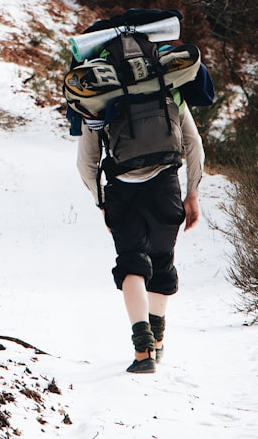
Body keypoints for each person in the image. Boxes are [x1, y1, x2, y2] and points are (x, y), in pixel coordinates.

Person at [76, 95, 205, 374]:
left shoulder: (98, 88)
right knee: (161, 259)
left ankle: (142, 349)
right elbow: (193, 142)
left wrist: (101, 202)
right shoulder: (165, 83)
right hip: (165, 184)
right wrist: (193, 191)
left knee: (132, 261)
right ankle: (157, 340)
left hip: (123, 189)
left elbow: (86, 161)